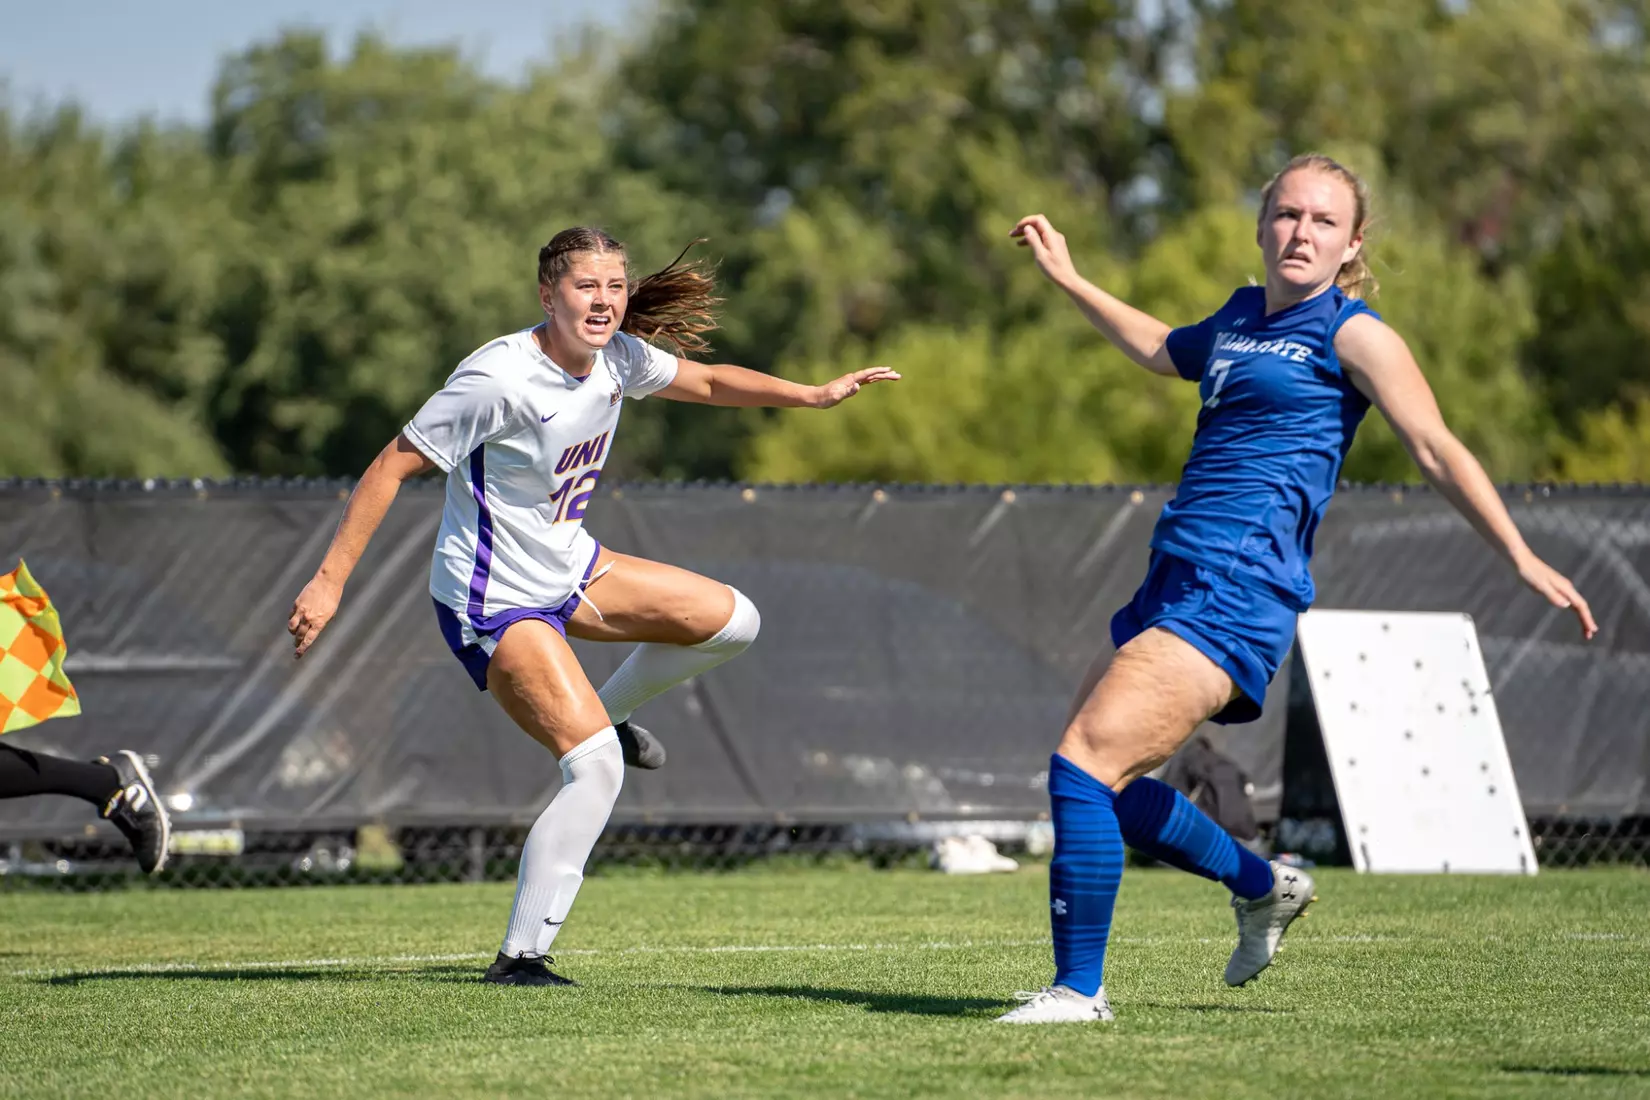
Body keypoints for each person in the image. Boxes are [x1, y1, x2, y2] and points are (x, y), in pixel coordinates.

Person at [996, 153, 1597, 1024]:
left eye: (1321, 220)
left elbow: (1434, 447)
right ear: (1262, 225)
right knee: (1108, 790)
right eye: (1286, 214)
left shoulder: (1354, 334)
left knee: (1084, 767)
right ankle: (1263, 886)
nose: (1300, 231)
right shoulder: (1240, 316)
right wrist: (1072, 279)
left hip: (1240, 588)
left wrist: (1518, 554)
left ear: (1351, 243)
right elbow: (1163, 349)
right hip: (1173, 576)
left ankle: (1078, 993)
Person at [286, 227, 899, 987]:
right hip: (494, 601)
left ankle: (605, 713)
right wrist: (329, 580)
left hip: (570, 568)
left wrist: (811, 394)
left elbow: (707, 384)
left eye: (615, 285)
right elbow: (390, 466)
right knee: (596, 770)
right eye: (586, 286)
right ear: (548, 295)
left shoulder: (619, 360)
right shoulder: (498, 379)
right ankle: (521, 959)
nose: (605, 300)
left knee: (735, 620)